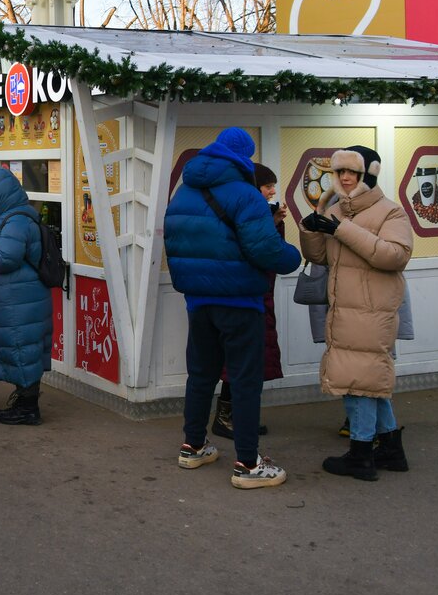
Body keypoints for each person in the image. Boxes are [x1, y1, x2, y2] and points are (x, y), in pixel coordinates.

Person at [164, 127, 300, 489]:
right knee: (244, 380)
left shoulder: (183, 192)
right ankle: (249, 464)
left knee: (201, 374)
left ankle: (193, 446)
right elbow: (265, 250)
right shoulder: (245, 194)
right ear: (243, 157)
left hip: (198, 299)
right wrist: (293, 257)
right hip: (240, 300)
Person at [299, 145, 413, 481]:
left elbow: (395, 256)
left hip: (370, 311)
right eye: (341, 173)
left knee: (358, 381)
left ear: (369, 176)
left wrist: (341, 230)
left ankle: (361, 455)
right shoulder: (336, 212)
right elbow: (322, 258)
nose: (346, 178)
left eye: (354, 173)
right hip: (345, 309)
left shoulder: (390, 212)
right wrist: (312, 228)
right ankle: (391, 449)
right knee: (363, 378)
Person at [0, 167, 52, 425]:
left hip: (20, 300)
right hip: (23, 297)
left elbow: (7, 258)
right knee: (24, 350)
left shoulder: (15, 221)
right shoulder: (18, 216)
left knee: (22, 350)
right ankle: (25, 401)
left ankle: (28, 408)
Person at [211, 163, 286, 439]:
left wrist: (275, 223)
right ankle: (228, 419)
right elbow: (266, 254)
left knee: (247, 361)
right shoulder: (245, 215)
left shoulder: (253, 214)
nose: (272, 191)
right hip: (248, 296)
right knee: (240, 361)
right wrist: (272, 225)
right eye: (267, 186)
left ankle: (235, 417)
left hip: (256, 295)